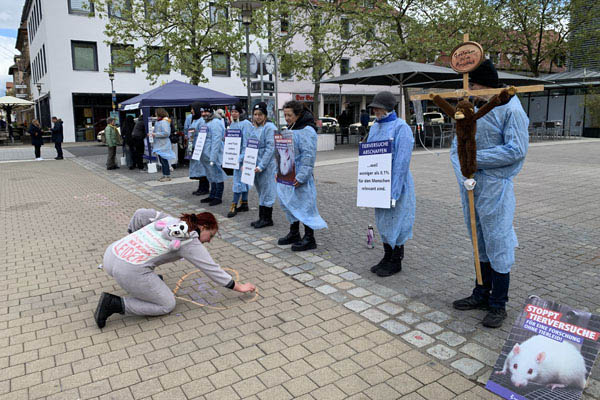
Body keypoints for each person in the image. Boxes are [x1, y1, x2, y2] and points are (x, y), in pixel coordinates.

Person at [451, 60, 529, 328]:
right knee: (478, 238)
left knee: (498, 239)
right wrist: (464, 170)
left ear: (484, 83)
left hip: (496, 185)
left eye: (472, 84)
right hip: (471, 184)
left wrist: (475, 160)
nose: (469, 89)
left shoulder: (510, 108)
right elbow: (457, 147)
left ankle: (499, 303)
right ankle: (480, 293)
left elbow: (516, 149)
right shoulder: (470, 108)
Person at [93, 209, 256, 328]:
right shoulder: (190, 240)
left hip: (112, 253)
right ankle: (114, 304)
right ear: (203, 227)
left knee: (147, 265)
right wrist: (239, 287)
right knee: (166, 304)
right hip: (127, 270)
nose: (209, 241)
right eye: (211, 235)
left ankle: (147, 283)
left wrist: (133, 237)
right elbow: (212, 269)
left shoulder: (170, 219)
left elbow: (140, 213)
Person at [367, 91, 415, 277]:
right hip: (379, 181)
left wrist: (394, 192)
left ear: (387, 107)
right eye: (374, 108)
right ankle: (387, 255)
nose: (376, 111)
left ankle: (396, 259)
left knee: (397, 220)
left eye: (378, 108)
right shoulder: (374, 127)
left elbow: (402, 162)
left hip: (397, 182)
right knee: (383, 221)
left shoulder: (401, 128)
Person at [277, 101, 328, 251]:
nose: (286, 118)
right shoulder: (291, 128)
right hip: (287, 174)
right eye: (285, 115)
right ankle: (294, 233)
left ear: (298, 115)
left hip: (300, 176)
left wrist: (301, 177)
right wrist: (279, 172)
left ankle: (309, 238)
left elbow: (308, 156)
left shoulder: (307, 130)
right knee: (289, 204)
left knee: (305, 206)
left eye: (289, 115)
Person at [248, 102, 277, 228]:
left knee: (268, 191)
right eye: (255, 114)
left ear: (265, 115)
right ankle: (262, 217)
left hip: (267, 166)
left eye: (260, 114)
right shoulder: (254, 128)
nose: (257, 117)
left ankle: (267, 218)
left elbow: (270, 149)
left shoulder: (270, 127)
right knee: (261, 192)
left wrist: (262, 165)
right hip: (255, 166)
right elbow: (250, 146)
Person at [227, 104, 252, 218]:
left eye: (236, 111)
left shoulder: (246, 124)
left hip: (242, 158)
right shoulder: (233, 124)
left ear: (241, 112)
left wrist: (240, 158)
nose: (233, 113)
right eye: (232, 111)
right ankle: (244, 203)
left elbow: (247, 142)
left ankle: (234, 205)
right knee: (241, 180)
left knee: (239, 181)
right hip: (235, 157)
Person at [199, 104, 227, 206]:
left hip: (214, 155)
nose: (204, 114)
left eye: (206, 112)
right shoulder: (207, 122)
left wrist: (213, 157)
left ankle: (218, 197)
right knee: (211, 175)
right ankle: (212, 194)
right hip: (206, 154)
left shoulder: (215, 123)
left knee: (218, 175)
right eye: (202, 112)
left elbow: (216, 140)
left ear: (211, 112)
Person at [187, 103, 210, 196]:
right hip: (193, 146)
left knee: (202, 169)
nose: (192, 111)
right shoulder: (194, 120)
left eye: (193, 109)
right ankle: (201, 187)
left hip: (199, 147)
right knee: (198, 169)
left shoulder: (201, 121)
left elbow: (202, 134)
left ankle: (205, 188)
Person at [150, 108, 177, 182]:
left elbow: (166, 133)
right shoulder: (159, 121)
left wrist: (155, 134)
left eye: (156, 113)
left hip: (163, 144)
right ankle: (164, 174)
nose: (155, 114)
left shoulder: (164, 122)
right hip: (159, 144)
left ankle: (167, 175)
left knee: (164, 160)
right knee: (162, 161)